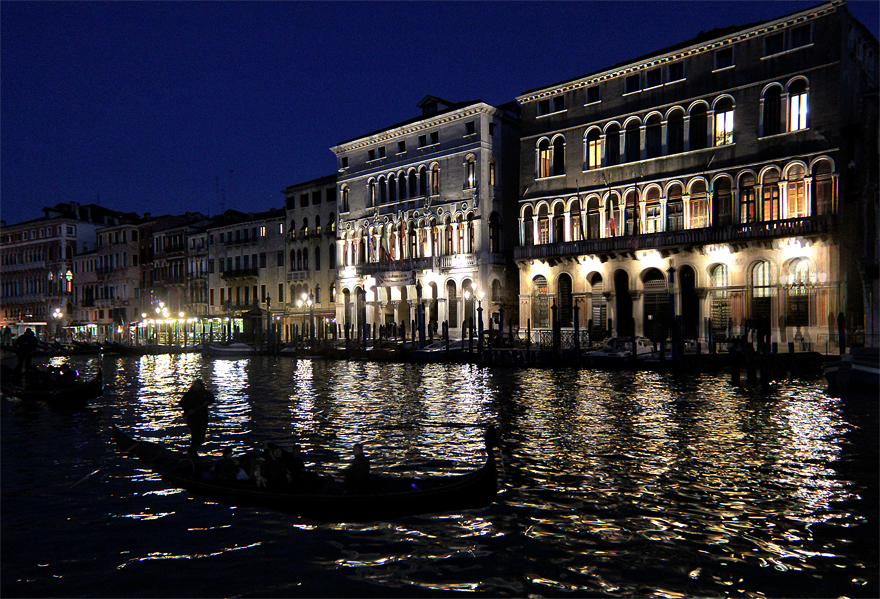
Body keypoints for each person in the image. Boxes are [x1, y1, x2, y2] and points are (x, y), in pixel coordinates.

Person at [178, 379, 214, 457]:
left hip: (202, 417)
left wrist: (207, 402)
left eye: (197, 385)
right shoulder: (189, 394)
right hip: (193, 418)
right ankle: (192, 451)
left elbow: (212, 398)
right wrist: (188, 410)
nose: (195, 386)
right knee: (195, 435)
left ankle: (192, 450)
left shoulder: (204, 393)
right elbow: (182, 403)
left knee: (201, 435)